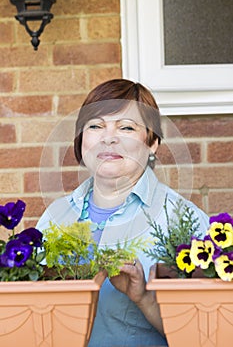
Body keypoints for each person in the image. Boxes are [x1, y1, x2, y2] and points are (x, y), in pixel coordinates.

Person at [37, 79, 209, 347]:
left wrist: (142, 297)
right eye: (95, 126)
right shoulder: (55, 216)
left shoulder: (183, 220)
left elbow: (207, 335)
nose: (108, 138)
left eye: (126, 127)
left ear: (152, 142)